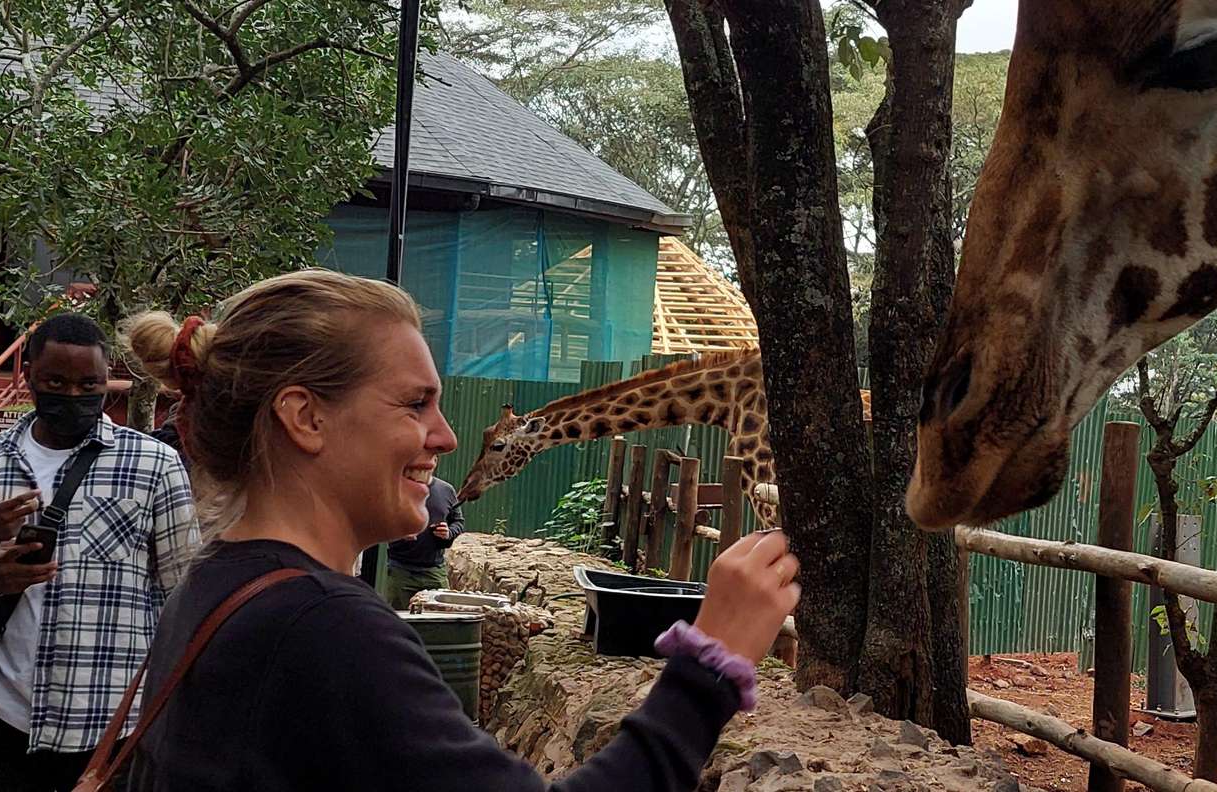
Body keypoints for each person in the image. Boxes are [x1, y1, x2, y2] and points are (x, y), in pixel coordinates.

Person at [119, 269, 799, 791]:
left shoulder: (215, 583)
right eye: (415, 404)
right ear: (305, 417)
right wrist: (709, 663)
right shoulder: (325, 628)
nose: (443, 436)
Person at [0, 313, 199, 791]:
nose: (71, 394)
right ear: (29, 378)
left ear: (107, 380)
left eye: (88, 382)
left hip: (108, 729)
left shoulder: (153, 464)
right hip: (3, 719)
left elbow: (182, 591)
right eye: (55, 381)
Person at [385, 472, 463, 610]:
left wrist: (448, 532)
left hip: (434, 570)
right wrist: (399, 531)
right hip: (401, 571)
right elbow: (381, 519)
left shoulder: (446, 490)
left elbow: (458, 521)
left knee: (441, 621)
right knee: (398, 623)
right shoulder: (398, 486)